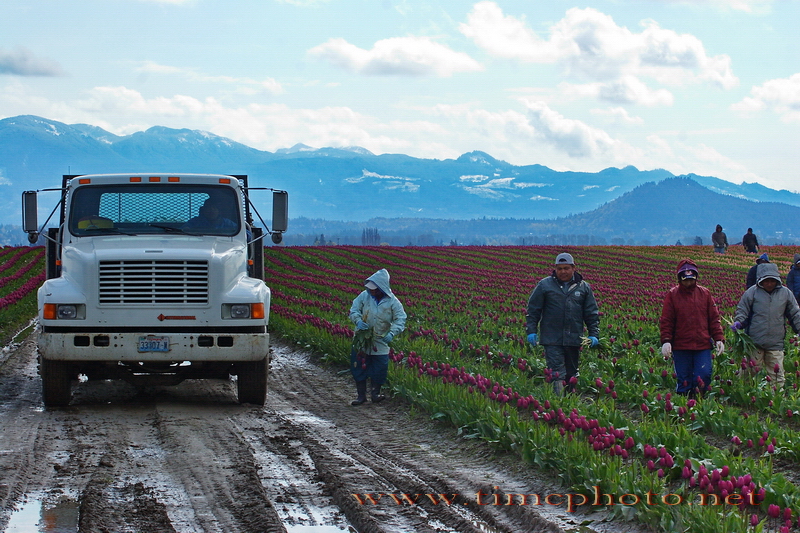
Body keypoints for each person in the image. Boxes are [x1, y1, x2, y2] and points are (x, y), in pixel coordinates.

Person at [526, 252, 600, 395]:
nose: (563, 272)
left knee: (571, 373)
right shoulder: (545, 285)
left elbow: (591, 313)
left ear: (573, 268)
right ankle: (559, 403)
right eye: (559, 268)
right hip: (551, 337)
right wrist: (531, 330)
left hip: (574, 337)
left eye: (566, 268)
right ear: (555, 269)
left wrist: (593, 334)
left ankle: (570, 401)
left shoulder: (583, 287)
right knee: (556, 372)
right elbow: (533, 309)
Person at [659, 259, 725, 397]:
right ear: (679, 278)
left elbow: (714, 318)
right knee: (684, 378)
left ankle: (699, 401)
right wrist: (666, 340)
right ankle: (684, 406)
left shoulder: (705, 294)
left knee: (704, 374)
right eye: (685, 280)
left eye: (691, 279)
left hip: (702, 344)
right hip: (681, 345)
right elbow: (667, 320)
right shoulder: (672, 295)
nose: (688, 283)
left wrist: (719, 338)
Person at [731, 262, 800, 390]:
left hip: (775, 342)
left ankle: (776, 400)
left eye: (772, 281)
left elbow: (795, 313)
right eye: (766, 281)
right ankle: (742, 392)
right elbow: (743, 310)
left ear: (777, 280)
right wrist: (739, 322)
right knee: (749, 370)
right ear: (760, 280)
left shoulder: (785, 294)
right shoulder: (752, 293)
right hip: (755, 341)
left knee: (777, 375)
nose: (769, 284)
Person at [348, 269, 407, 405]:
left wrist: (392, 332)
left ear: (382, 287)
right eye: (370, 288)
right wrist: (357, 320)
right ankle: (361, 396)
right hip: (362, 339)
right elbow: (354, 309)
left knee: (379, 367)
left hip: (380, 339)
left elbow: (401, 319)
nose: (372, 291)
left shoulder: (393, 302)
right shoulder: (364, 296)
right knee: (359, 365)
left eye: (375, 289)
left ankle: (375, 393)